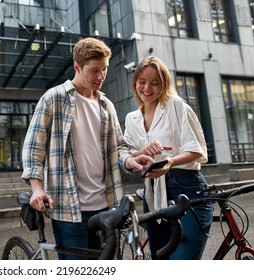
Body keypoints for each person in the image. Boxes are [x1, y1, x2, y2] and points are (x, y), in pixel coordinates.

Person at [21, 37, 154, 260]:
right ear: (77, 67)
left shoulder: (106, 105)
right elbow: (34, 149)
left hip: (106, 206)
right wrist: (37, 188)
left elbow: (119, 147)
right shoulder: (53, 99)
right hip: (68, 208)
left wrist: (130, 161)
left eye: (104, 69)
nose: (101, 76)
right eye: (94, 70)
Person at [123, 56, 214, 260]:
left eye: (155, 82)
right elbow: (126, 154)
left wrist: (170, 162)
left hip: (187, 188)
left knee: (182, 261)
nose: (147, 88)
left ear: (164, 84)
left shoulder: (176, 105)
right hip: (153, 192)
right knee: (160, 260)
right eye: (142, 81)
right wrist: (143, 151)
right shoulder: (131, 119)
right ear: (135, 82)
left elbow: (197, 149)